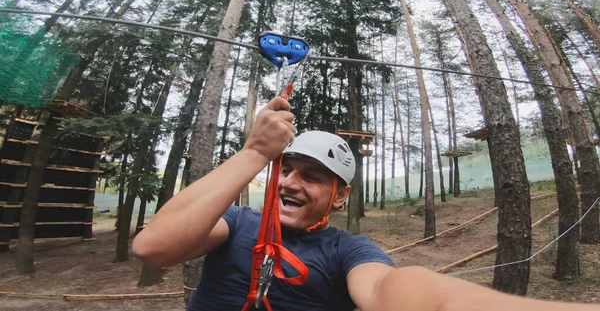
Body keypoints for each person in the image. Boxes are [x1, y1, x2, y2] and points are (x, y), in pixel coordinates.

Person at [133, 96, 599, 311]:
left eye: (312, 178)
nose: (290, 184)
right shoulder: (233, 223)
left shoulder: (348, 251)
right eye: (286, 171)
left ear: (340, 197)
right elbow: (154, 248)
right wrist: (256, 153)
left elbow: (389, 291)